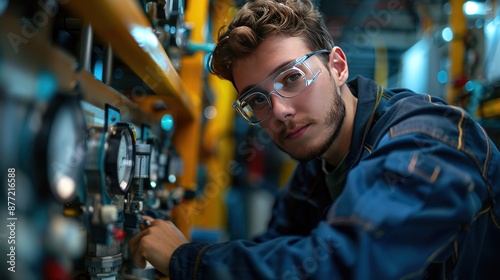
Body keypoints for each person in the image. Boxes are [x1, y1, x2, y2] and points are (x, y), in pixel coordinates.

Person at [128, 0, 500, 279]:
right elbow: (275, 247)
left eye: (291, 78)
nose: (279, 112)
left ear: (337, 66)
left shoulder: (425, 139)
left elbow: (344, 264)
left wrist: (185, 259)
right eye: (257, 99)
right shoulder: (318, 167)